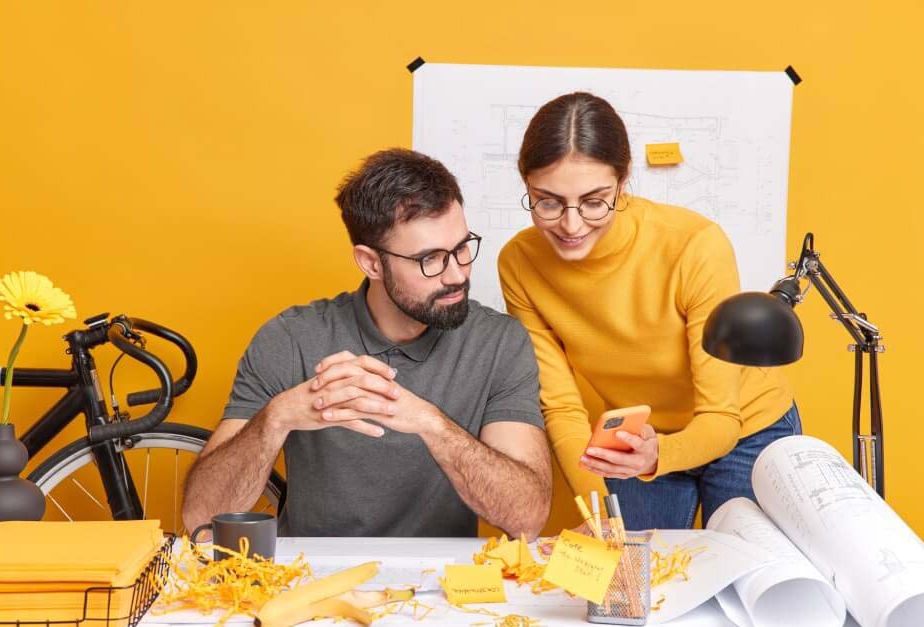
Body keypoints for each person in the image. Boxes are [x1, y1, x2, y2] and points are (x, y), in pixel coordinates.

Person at [183, 148, 551, 538]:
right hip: (312, 577)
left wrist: (432, 425)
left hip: (446, 583)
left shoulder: (498, 342)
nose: (457, 274)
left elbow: (527, 518)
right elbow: (201, 519)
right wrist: (275, 419)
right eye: (430, 260)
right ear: (371, 263)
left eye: (462, 248)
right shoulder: (290, 338)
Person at [497, 92, 801, 531]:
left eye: (594, 201)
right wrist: (598, 513)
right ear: (527, 186)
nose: (571, 224)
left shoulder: (693, 245)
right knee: (631, 587)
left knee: (747, 577)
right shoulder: (519, 263)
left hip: (746, 430)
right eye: (546, 202)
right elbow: (562, 409)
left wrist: (660, 454)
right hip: (636, 438)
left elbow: (720, 418)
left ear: (624, 182)